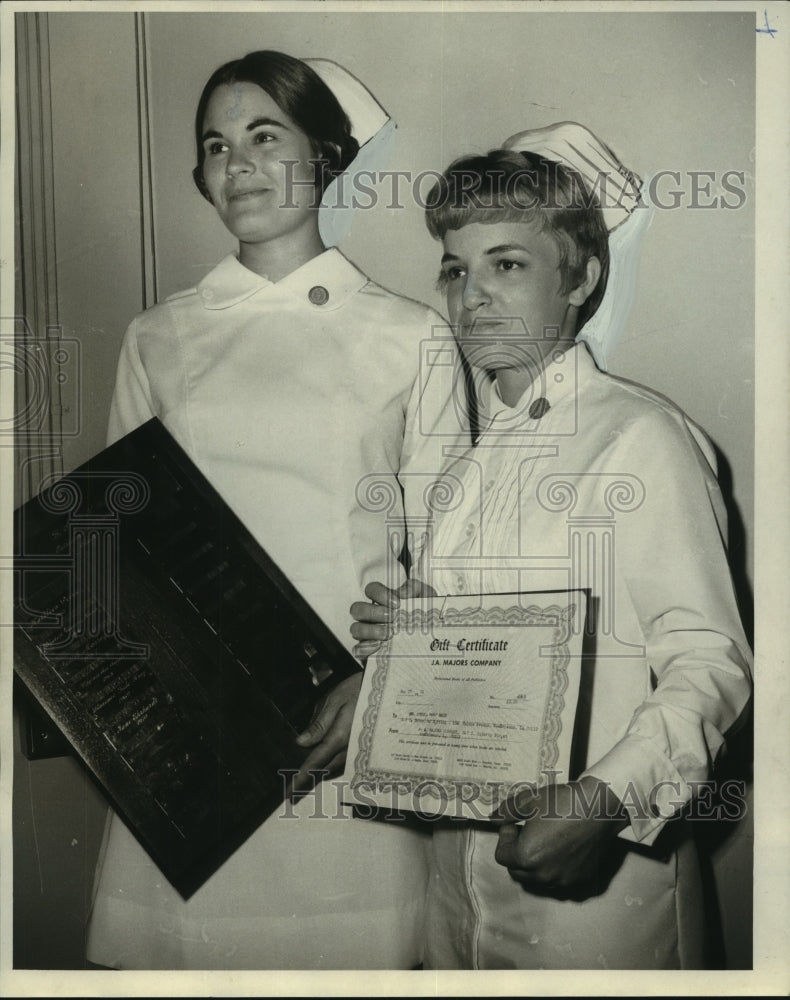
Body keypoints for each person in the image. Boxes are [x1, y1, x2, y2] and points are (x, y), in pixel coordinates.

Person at [86, 50, 464, 970]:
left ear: (326, 154)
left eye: (265, 136)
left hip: (348, 727)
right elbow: (112, 552)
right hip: (188, 740)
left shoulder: (408, 333)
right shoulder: (159, 335)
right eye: (216, 146)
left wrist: (380, 682)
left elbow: (455, 552)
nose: (238, 163)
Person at [350, 123, 753, 969]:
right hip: (457, 885)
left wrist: (607, 799)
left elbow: (710, 660)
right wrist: (415, 648)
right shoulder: (458, 467)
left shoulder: (642, 438)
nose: (473, 296)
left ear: (582, 280)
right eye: (457, 270)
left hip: (600, 906)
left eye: (508, 264)